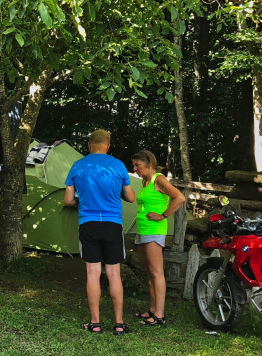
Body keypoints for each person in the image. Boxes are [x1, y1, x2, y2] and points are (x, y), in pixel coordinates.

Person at [63, 130, 136, 335]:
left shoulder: (78, 166)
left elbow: (68, 200)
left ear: (88, 145)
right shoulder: (118, 165)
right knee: (114, 273)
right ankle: (119, 324)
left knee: (92, 273)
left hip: (88, 223)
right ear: (108, 145)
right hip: (113, 224)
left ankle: (95, 323)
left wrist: (82, 201)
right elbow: (130, 197)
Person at [130, 150, 186, 327]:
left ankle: (159, 315)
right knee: (148, 272)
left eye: (137, 165)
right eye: (134, 166)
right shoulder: (145, 182)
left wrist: (163, 215)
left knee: (156, 272)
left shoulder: (158, 179)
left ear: (149, 164)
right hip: (143, 230)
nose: (135, 169)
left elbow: (179, 198)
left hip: (154, 231)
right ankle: (153, 309)